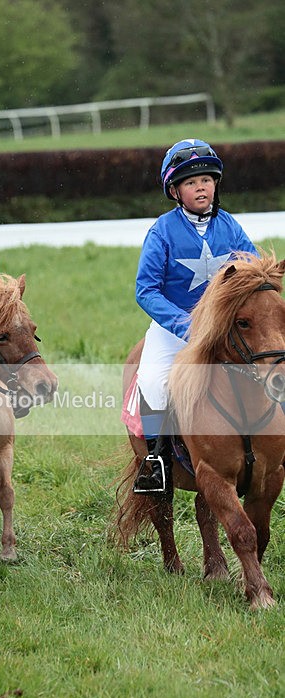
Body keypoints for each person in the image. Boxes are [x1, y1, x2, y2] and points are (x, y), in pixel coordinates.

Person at [133, 138, 258, 493]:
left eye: (206, 179)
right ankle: (155, 461)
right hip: (175, 330)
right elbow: (145, 290)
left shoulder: (230, 226)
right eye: (190, 182)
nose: (200, 186)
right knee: (154, 381)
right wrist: (186, 325)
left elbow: (252, 271)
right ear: (175, 191)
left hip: (227, 329)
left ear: (216, 184)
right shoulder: (162, 231)